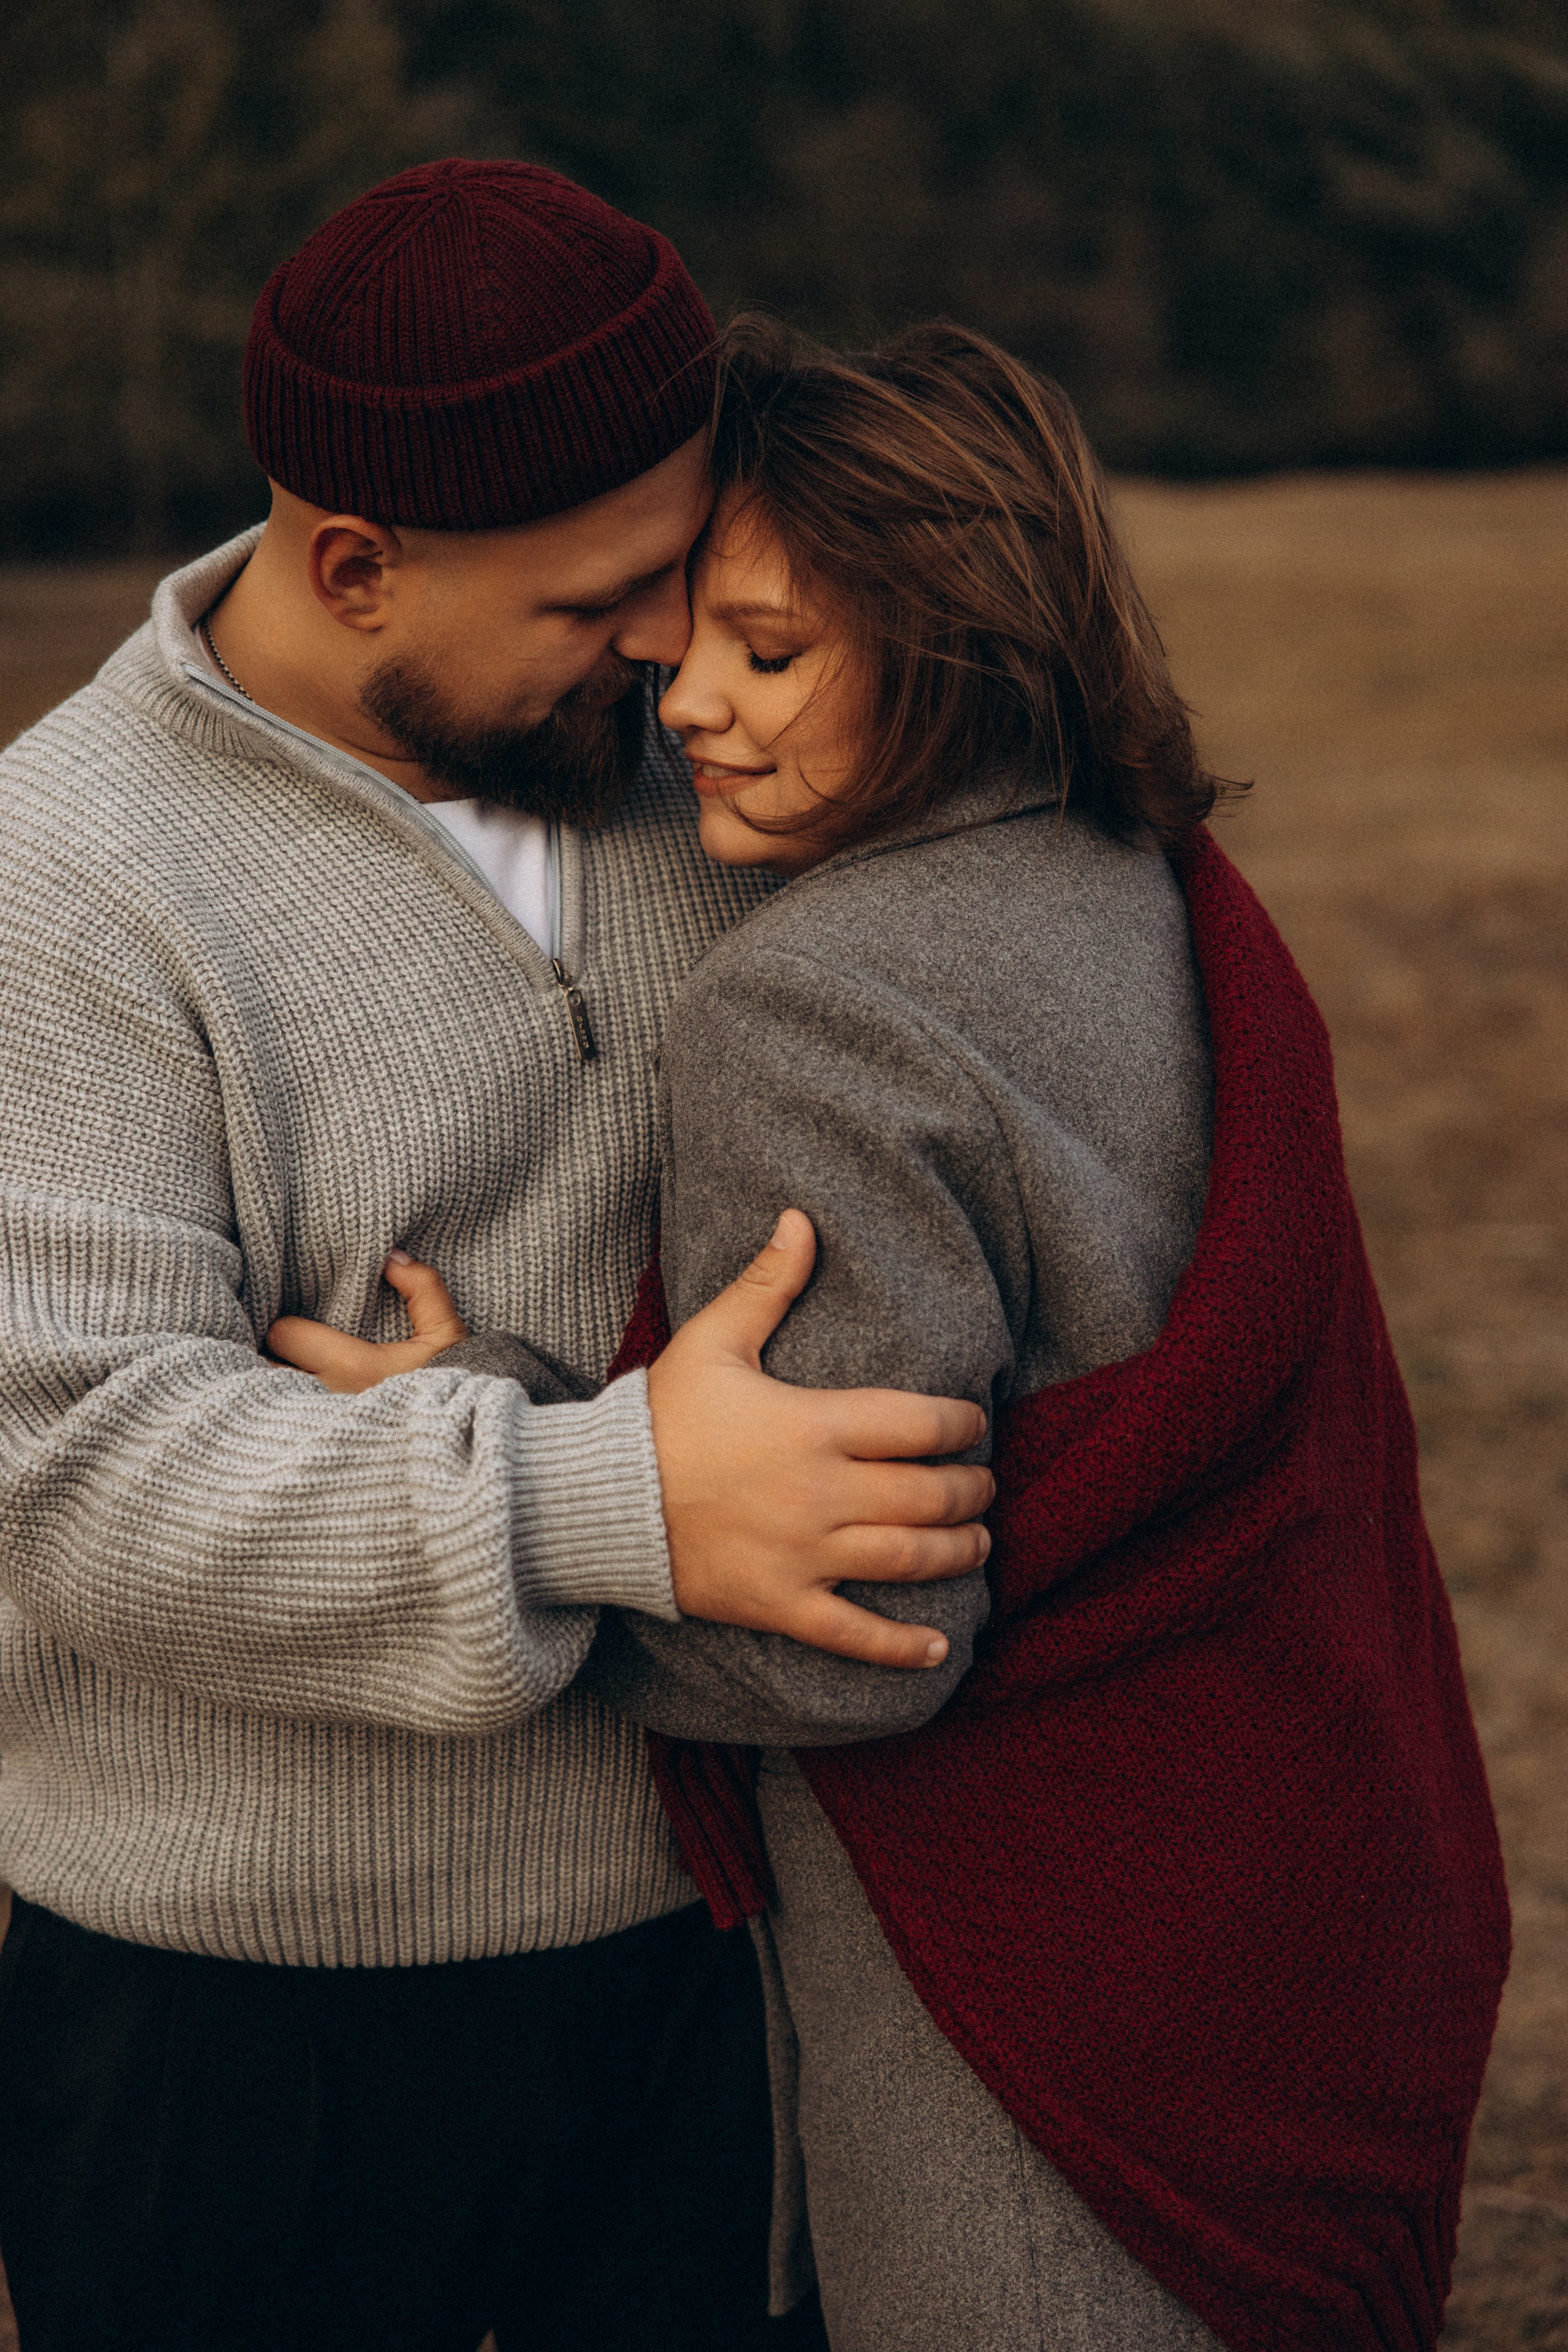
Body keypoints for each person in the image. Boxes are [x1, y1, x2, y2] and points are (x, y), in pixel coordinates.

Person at [310, 318, 1510, 2351]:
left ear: (959, 639)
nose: (687, 701)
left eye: (769, 653)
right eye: (688, 640)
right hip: (1304, 1900)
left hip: (1033, 2003)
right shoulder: (1147, 878)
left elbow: (845, 1634)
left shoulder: (814, 1012)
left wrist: (517, 1470)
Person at [0, 170, 997, 2352]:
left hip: (719, 1941)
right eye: (599, 598)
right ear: (356, 566)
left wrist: (529, 1432)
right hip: (238, 2026)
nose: (665, 650)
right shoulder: (57, 876)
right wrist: (600, 1495)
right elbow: (77, 1472)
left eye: (684, 576)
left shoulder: (716, 768)